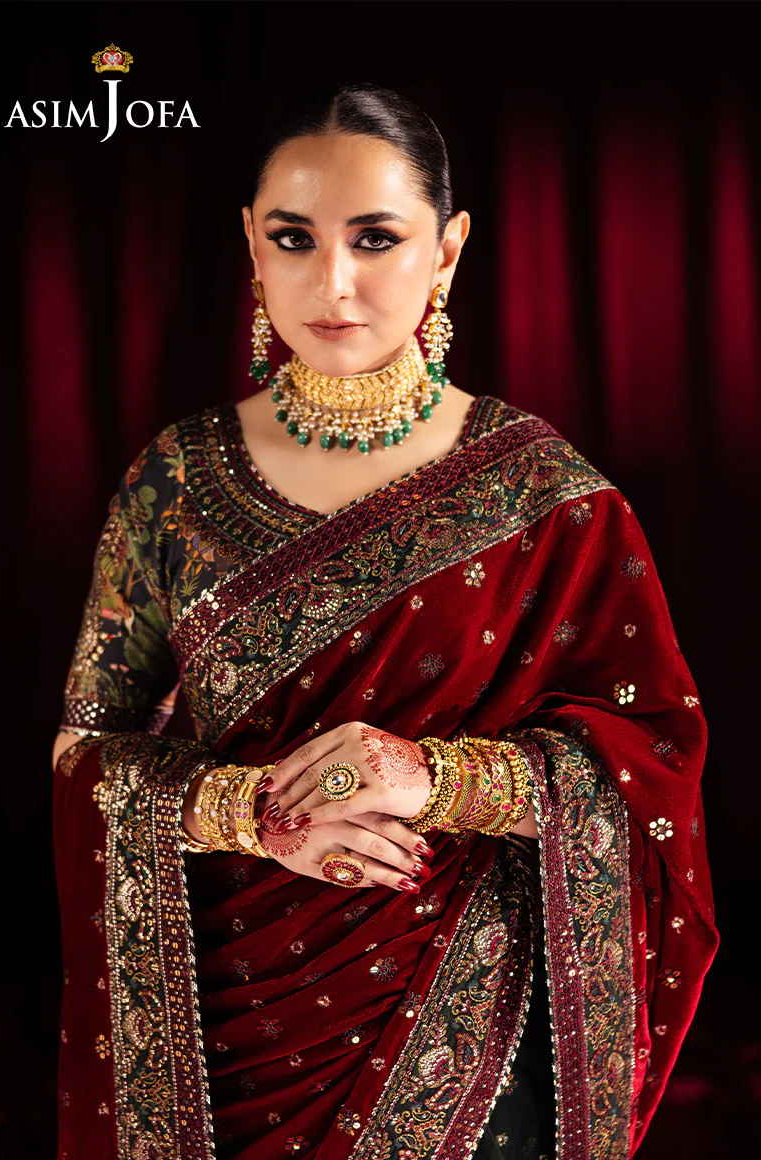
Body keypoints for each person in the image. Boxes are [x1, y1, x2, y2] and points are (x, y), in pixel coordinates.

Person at [52, 83, 718, 1160]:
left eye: (375, 238)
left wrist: (435, 779)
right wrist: (250, 812)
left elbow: (653, 759)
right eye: (293, 239)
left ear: (446, 251)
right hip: (220, 1031)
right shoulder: (172, 483)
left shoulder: (543, 495)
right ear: (250, 246)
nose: (333, 282)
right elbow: (85, 755)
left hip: (468, 1012)